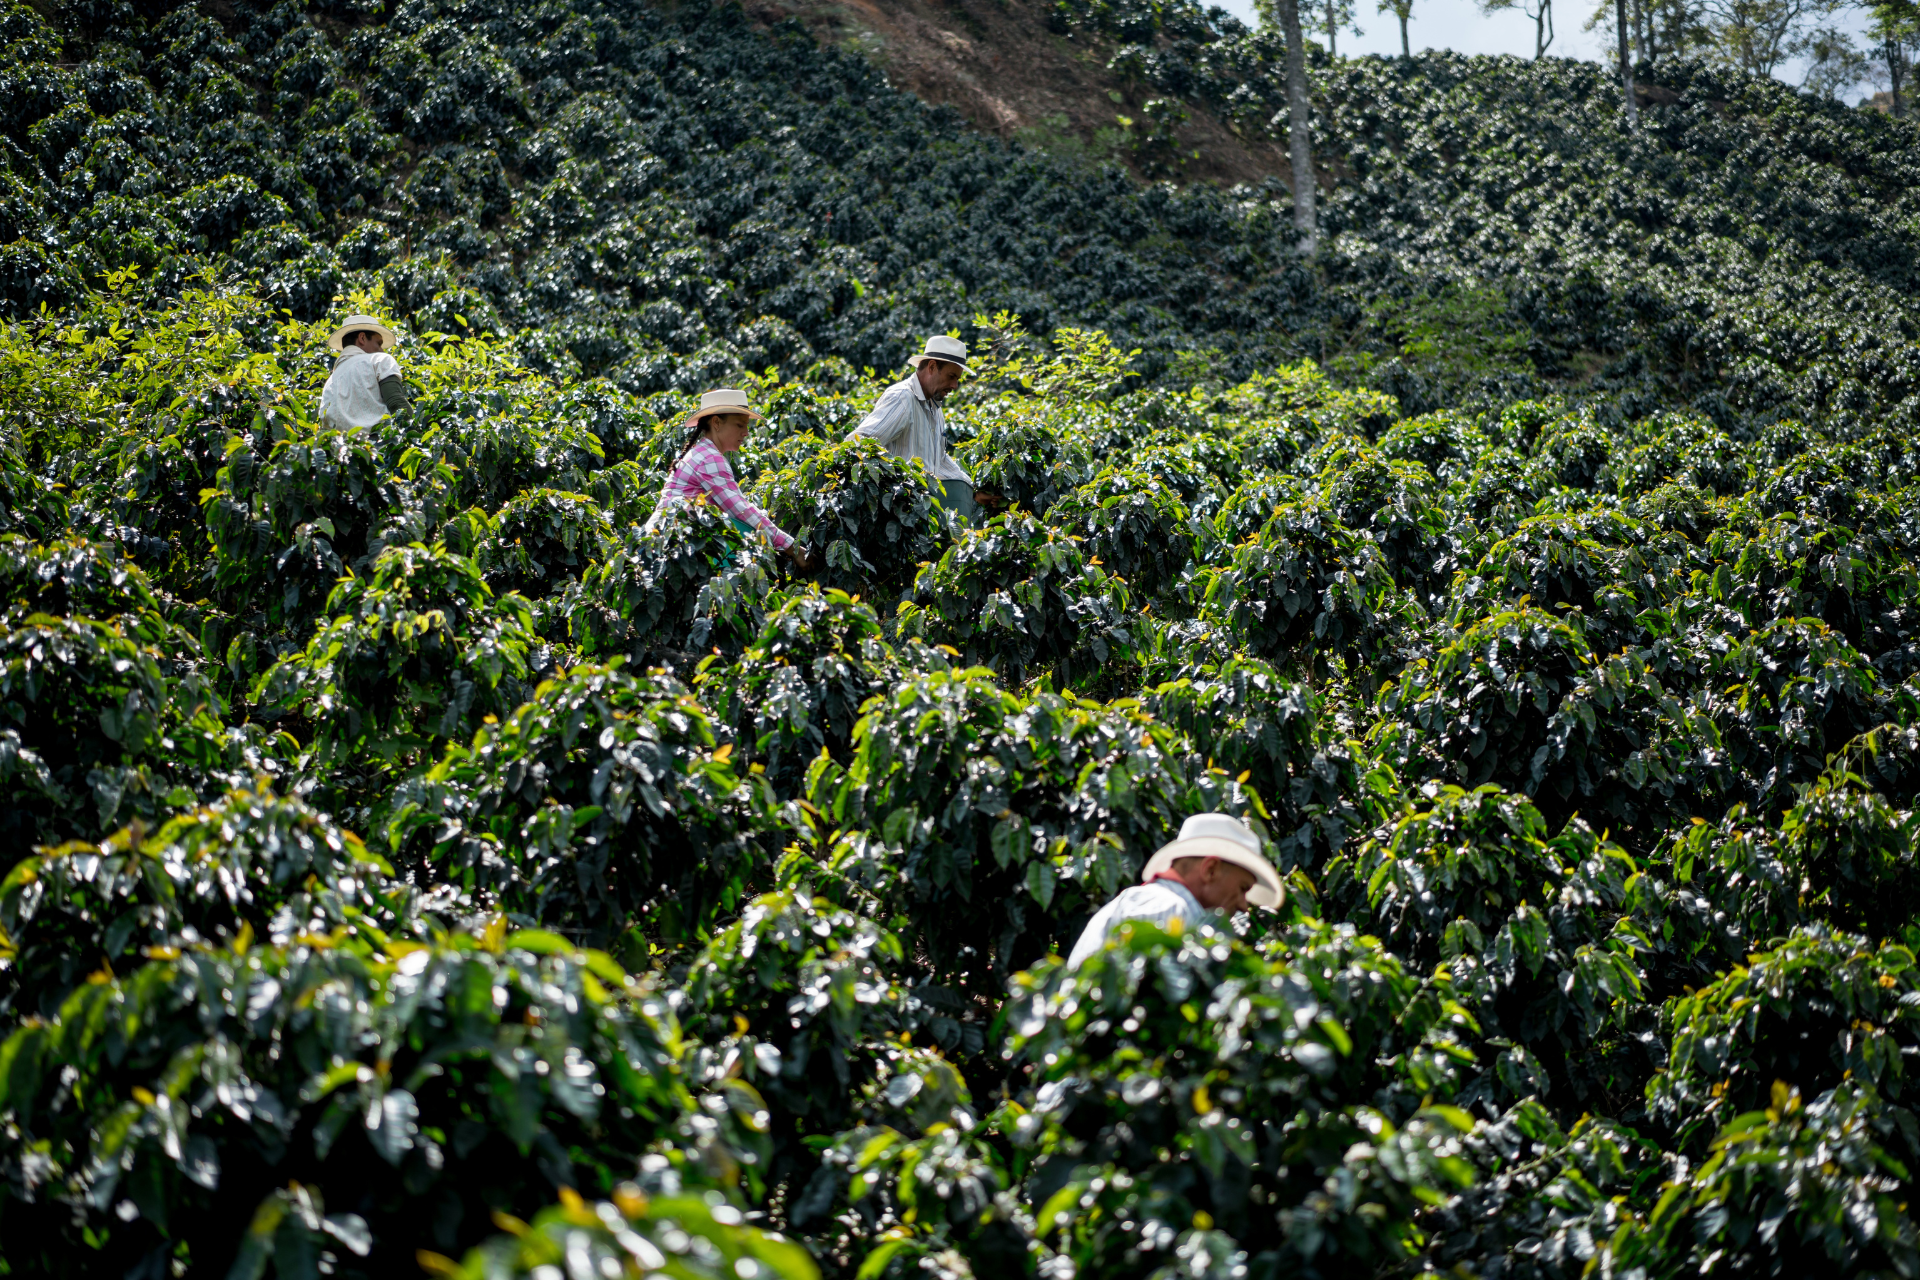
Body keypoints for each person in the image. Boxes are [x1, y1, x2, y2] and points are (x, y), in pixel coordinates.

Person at [1066, 813, 1284, 969]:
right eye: (1242, 888)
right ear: (1210, 870)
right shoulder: (1168, 908)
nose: (1244, 906)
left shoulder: (1161, 904)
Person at [645, 388, 815, 570]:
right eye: (739, 425)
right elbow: (741, 511)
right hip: (669, 546)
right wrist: (793, 549)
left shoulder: (703, 453)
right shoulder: (709, 458)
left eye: (746, 426)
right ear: (716, 423)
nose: (746, 433)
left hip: (661, 543)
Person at [849, 335, 1003, 523]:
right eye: (951, 376)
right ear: (931, 367)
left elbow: (939, 459)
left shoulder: (934, 409)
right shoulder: (903, 398)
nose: (955, 385)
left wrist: (973, 492)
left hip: (917, 518)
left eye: (957, 379)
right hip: (894, 517)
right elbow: (857, 442)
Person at [319, 314, 409, 432]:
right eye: (379, 343)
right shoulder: (379, 360)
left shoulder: (329, 383)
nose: (382, 350)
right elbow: (396, 403)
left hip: (342, 449)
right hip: (381, 446)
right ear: (362, 338)